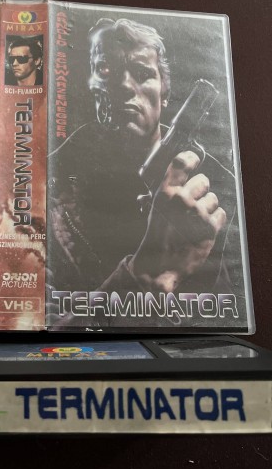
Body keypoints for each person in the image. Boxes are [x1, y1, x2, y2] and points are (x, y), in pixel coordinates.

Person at [47, 17, 234, 319]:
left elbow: (229, 309)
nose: (123, 85)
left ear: (165, 93)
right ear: (90, 85)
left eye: (143, 73)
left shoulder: (223, 187)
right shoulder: (46, 183)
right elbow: (46, 325)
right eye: (105, 69)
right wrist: (142, 272)